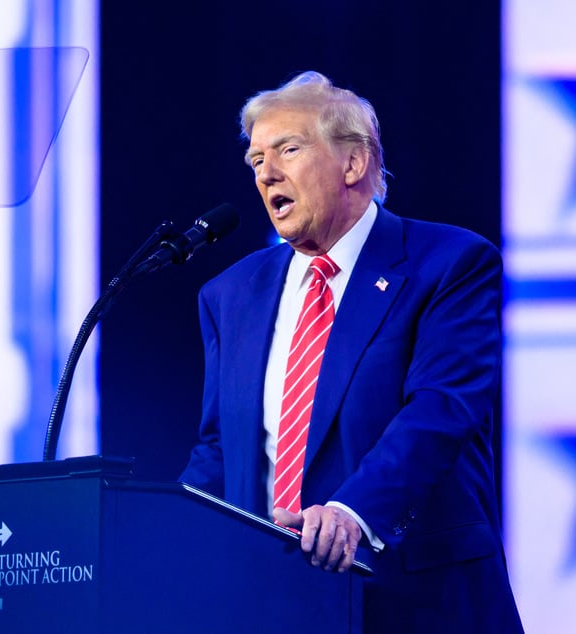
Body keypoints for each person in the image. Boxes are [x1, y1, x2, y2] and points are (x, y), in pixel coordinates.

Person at [179, 71, 524, 633]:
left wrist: (350, 513)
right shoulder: (229, 294)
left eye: (288, 149)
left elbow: (440, 411)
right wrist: (167, 535)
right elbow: (220, 447)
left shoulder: (449, 264)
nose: (267, 173)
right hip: (271, 605)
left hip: (416, 599)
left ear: (354, 163)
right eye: (256, 160)